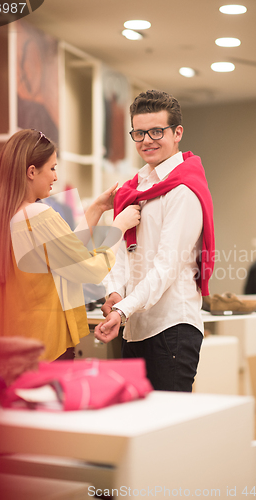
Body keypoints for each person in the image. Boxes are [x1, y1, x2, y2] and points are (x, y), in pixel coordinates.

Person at [94, 90, 215, 392]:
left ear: (177, 133)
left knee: (169, 432)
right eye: (139, 132)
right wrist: (113, 294)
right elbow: (124, 253)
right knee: (138, 427)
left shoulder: (183, 189)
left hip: (172, 327)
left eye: (156, 131)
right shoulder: (136, 187)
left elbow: (166, 266)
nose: (146, 140)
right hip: (135, 328)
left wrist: (124, 309)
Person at [0, 129, 140, 361]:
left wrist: (96, 209)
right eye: (52, 168)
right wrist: (119, 226)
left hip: (17, 347)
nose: (55, 177)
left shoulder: (8, 218)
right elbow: (88, 269)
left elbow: (67, 255)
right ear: (31, 172)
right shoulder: (38, 215)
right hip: (45, 347)